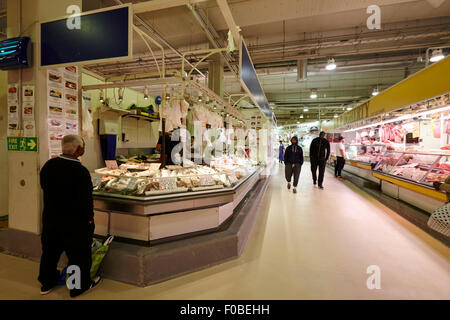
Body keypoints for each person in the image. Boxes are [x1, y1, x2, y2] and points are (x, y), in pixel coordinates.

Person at [38, 135, 101, 298]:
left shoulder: (48, 165)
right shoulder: (80, 171)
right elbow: (86, 201)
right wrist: (90, 220)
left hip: (51, 219)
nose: (84, 149)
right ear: (78, 149)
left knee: (49, 252)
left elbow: (44, 187)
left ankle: (46, 282)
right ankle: (77, 287)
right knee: (78, 255)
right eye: (83, 146)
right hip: (75, 223)